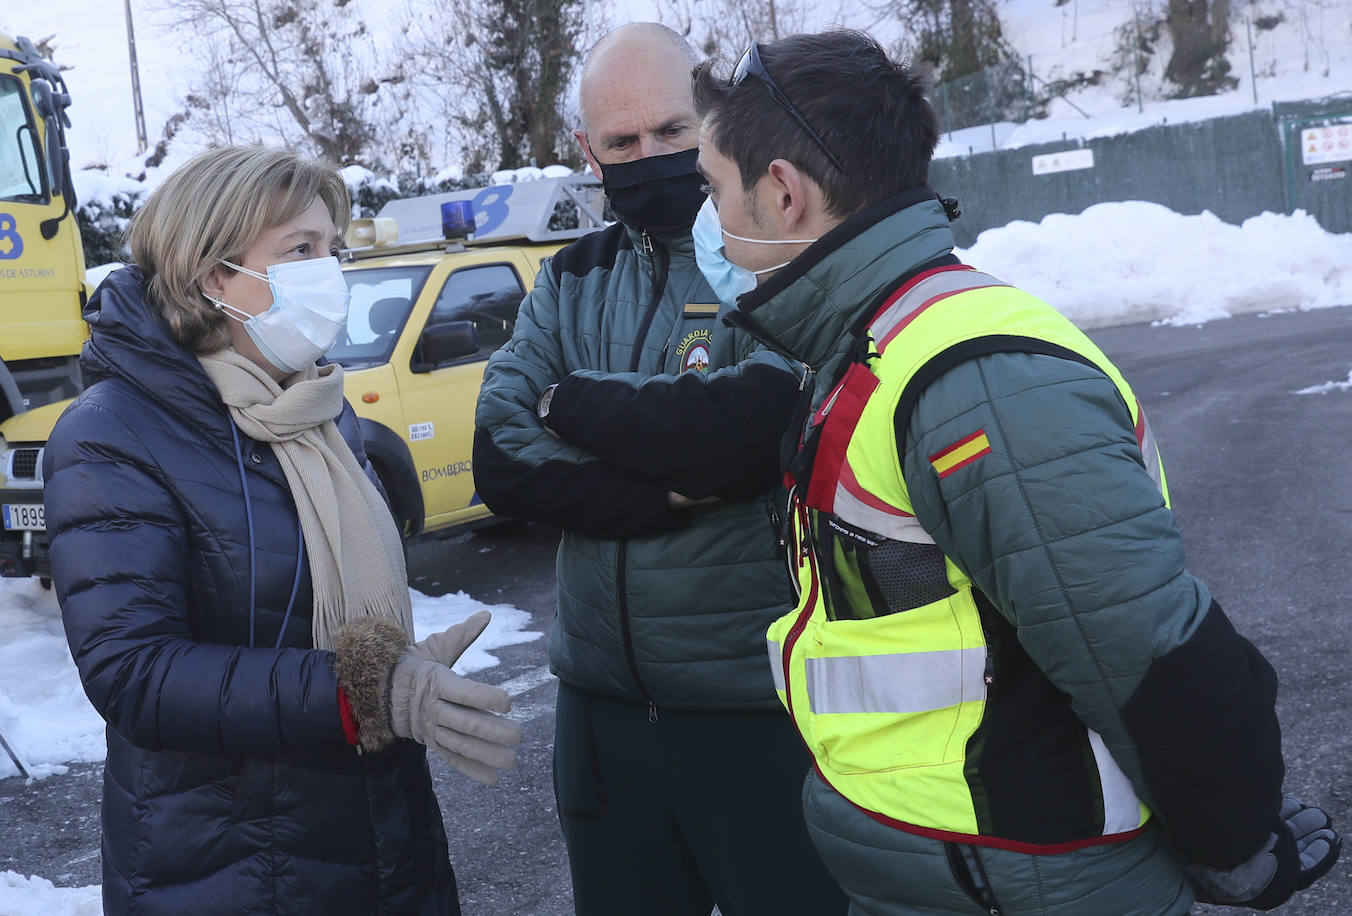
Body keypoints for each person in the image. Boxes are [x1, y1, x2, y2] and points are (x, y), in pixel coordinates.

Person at [688, 30, 1342, 916]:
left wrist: (1232, 839)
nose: (711, 218)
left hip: (1024, 872)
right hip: (960, 866)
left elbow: (1141, 647)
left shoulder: (974, 382)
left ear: (784, 192)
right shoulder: (865, 339)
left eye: (714, 189)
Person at [44, 145, 522, 915]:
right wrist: (366, 692)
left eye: (331, 249)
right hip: (230, 865)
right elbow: (134, 672)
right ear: (212, 276)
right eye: (300, 250)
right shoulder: (113, 432)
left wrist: (397, 667)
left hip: (378, 832)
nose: (327, 273)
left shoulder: (319, 408)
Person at [473, 22, 847, 916]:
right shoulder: (571, 277)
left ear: (715, 118)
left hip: (758, 713)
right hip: (600, 714)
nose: (649, 157)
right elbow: (498, 455)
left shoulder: (778, 263)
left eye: (672, 133)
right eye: (622, 143)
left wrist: (572, 409)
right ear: (588, 153)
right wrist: (662, 491)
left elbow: (749, 433)